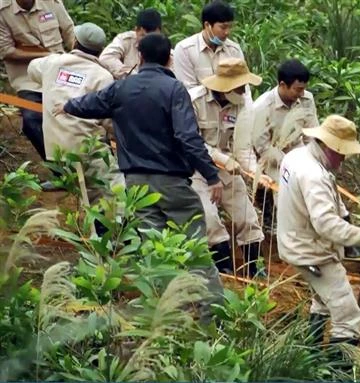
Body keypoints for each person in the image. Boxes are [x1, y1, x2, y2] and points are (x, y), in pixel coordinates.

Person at [54, 33, 224, 302]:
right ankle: (211, 313)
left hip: (136, 185)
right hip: (171, 183)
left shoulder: (121, 87)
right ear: (169, 59)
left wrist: (66, 105)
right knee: (194, 250)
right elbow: (187, 137)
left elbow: (89, 104)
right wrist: (212, 175)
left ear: (140, 57)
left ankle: (165, 311)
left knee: (152, 249)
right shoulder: (174, 90)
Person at [277, 114, 360, 352]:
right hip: (312, 253)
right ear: (327, 145)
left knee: (323, 300)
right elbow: (326, 224)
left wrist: (345, 216)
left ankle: (310, 354)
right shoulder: (313, 175)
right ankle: (334, 372)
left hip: (295, 242)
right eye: (342, 151)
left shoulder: (296, 156)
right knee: (349, 318)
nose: (344, 158)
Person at [188, 57, 269, 278]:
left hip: (227, 168)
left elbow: (242, 145)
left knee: (247, 215)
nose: (244, 91)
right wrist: (221, 159)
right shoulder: (194, 100)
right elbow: (191, 141)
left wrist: (256, 173)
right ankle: (224, 269)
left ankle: (255, 268)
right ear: (226, 86)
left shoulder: (241, 103)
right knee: (210, 218)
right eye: (241, 86)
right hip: (196, 169)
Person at [27, 22, 123, 208]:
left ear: (74, 42)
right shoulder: (103, 77)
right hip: (87, 150)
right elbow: (108, 121)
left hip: (56, 152)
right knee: (115, 193)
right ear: (100, 50)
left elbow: (32, 69)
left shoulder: (51, 62)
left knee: (87, 195)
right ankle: (113, 231)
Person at [0, 0, 75, 189]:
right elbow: (6, 51)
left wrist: (78, 60)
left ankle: (89, 166)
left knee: (78, 112)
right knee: (32, 120)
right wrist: (45, 56)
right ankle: (63, 174)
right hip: (28, 79)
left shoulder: (51, 3)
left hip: (61, 71)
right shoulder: (2, 11)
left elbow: (69, 32)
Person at [253, 59, 318, 235]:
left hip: (298, 149)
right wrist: (289, 162)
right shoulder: (262, 106)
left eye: (304, 88)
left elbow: (312, 133)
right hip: (272, 155)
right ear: (282, 85)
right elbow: (262, 145)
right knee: (285, 191)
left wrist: (315, 160)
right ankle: (286, 230)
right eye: (297, 89)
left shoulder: (306, 99)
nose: (301, 93)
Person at [173, 0, 245, 91]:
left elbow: (243, 88)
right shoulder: (185, 50)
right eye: (223, 27)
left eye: (230, 27)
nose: (227, 32)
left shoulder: (234, 50)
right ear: (207, 25)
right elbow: (188, 91)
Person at [99, 8, 166, 79]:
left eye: (153, 37)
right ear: (136, 30)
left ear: (159, 32)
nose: (148, 41)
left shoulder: (164, 46)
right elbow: (106, 58)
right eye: (143, 36)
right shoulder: (125, 40)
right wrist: (132, 75)